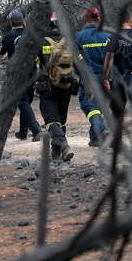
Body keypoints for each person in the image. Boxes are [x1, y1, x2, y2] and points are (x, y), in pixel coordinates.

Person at [102, 7, 132, 154]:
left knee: (117, 111)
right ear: (130, 19)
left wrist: (105, 77)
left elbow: (109, 58)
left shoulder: (113, 37)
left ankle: (117, 143)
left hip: (118, 78)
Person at [0, 11, 46, 143]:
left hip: (18, 74)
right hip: (32, 72)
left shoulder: (9, 36)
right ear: (23, 22)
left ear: (11, 23)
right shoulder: (32, 36)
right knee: (26, 102)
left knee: (22, 102)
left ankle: (36, 130)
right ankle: (23, 132)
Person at [34, 13, 74, 161]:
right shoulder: (69, 41)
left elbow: (32, 63)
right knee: (61, 120)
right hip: (67, 86)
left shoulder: (41, 42)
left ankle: (63, 145)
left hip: (47, 87)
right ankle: (56, 154)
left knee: (51, 122)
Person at [75, 7, 111, 148]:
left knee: (89, 106)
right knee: (99, 107)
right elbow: (112, 58)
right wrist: (107, 76)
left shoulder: (78, 37)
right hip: (104, 77)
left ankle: (102, 130)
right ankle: (95, 138)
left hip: (88, 78)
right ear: (98, 19)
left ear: (86, 19)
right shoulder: (107, 36)